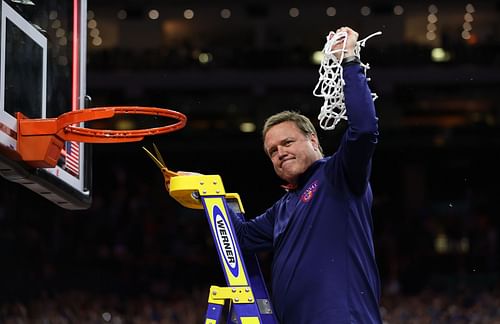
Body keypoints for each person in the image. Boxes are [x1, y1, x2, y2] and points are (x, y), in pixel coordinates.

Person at [227, 26, 382, 323]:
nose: (280, 152)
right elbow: (240, 237)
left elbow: (363, 131)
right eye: (272, 151)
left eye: (287, 143)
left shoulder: (337, 175)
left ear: (313, 139)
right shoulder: (284, 208)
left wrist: (349, 61)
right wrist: (201, 193)